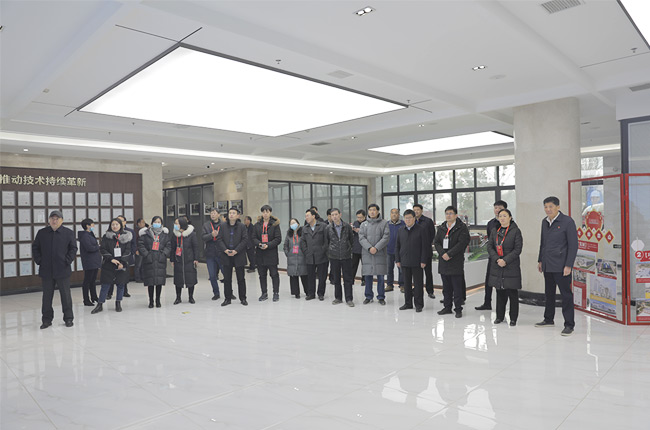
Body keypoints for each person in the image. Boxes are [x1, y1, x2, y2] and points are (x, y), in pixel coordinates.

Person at [536, 196, 578, 336]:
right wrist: (540, 260)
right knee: (549, 293)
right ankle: (548, 319)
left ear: (558, 207)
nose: (548, 209)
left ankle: (569, 324)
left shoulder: (567, 222)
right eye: (546, 207)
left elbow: (573, 245)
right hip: (547, 264)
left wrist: (568, 265)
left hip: (561, 266)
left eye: (551, 207)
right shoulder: (544, 222)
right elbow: (543, 243)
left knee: (566, 295)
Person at [32, 210, 77, 328]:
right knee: (47, 296)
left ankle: (68, 318)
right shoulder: (42, 233)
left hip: (63, 269)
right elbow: (35, 248)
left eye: (57, 219)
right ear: (49, 220)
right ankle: (46, 320)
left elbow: (73, 248)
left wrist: (67, 261)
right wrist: (39, 261)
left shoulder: (68, 233)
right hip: (46, 270)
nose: (54, 221)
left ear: (62, 220)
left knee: (66, 295)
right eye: (52, 218)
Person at [487, 209, 523, 325]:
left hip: (510, 266)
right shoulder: (495, 231)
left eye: (504, 216)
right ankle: (499, 316)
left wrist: (505, 260)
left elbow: (517, 249)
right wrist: (497, 259)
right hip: (497, 265)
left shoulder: (515, 231)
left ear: (510, 217)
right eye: (500, 216)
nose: (502, 218)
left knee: (512, 293)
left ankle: (513, 318)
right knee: (499, 292)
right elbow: (490, 246)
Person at [434, 206, 470, 318]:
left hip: (455, 261)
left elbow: (462, 243)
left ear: (456, 215)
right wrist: (442, 253)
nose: (448, 215)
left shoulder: (461, 227)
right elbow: (436, 242)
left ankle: (458, 309)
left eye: (451, 213)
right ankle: (447, 307)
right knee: (446, 287)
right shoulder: (442, 227)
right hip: (443, 261)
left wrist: (449, 254)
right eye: (447, 213)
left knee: (457, 287)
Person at [92, 218, 132, 314]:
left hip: (122, 264)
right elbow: (103, 249)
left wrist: (122, 262)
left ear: (120, 225)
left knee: (120, 284)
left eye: (117, 224)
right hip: (109, 263)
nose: (114, 226)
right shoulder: (106, 236)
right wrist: (111, 259)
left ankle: (118, 303)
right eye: (113, 224)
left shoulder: (126, 236)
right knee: (105, 285)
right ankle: (100, 304)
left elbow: (128, 250)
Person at [476, 200, 508, 311]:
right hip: (493, 256)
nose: (497, 210)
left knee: (503, 282)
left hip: (504, 257)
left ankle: (502, 307)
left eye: (500, 208)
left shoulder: (509, 223)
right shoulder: (490, 223)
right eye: (495, 208)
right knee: (489, 280)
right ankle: (487, 303)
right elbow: (490, 241)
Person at [396, 209, 428, 312]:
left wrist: (423, 260)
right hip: (404, 261)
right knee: (406, 284)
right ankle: (408, 303)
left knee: (418, 284)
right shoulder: (401, 230)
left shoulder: (421, 229)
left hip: (417, 262)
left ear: (414, 218)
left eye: (410, 218)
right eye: (406, 218)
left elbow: (425, 247)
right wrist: (397, 260)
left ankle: (419, 304)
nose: (408, 220)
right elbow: (397, 246)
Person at [359, 204, 390, 305]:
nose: (372, 212)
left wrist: (376, 248)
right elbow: (361, 238)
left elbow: (386, 237)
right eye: (370, 210)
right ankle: (368, 296)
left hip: (380, 253)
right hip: (367, 253)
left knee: (380, 277)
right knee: (368, 276)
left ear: (378, 211)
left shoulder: (384, 223)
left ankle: (381, 297)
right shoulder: (363, 224)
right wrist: (369, 248)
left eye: (374, 210)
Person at [217, 208, 249, 306]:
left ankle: (243, 298)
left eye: (233, 213)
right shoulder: (222, 226)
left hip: (238, 255)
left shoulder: (242, 226)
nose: (231, 214)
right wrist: (225, 250)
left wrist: (236, 250)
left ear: (238, 215)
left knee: (241, 278)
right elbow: (219, 239)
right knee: (227, 279)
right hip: (226, 255)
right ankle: (227, 298)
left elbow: (245, 240)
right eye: (230, 213)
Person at [138, 216, 172, 308]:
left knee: (159, 282)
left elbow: (168, 246)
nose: (157, 223)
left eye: (159, 222)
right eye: (155, 222)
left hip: (160, 260)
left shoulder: (164, 235)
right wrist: (147, 254)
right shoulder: (146, 234)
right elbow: (141, 245)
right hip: (149, 260)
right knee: (150, 282)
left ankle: (158, 300)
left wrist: (164, 254)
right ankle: (151, 301)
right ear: (152, 223)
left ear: (161, 224)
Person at [252, 205, 282, 302]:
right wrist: (259, 244)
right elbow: (253, 238)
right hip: (260, 254)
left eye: (267, 212)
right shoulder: (257, 225)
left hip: (271, 254)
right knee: (262, 275)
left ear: (270, 213)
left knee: (274, 274)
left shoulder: (275, 225)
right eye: (264, 212)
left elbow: (278, 239)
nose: (265, 214)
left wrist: (268, 245)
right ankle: (264, 293)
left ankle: (276, 293)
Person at [326, 208, 355, 307]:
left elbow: (351, 240)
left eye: (336, 214)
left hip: (346, 256)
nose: (334, 216)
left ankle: (349, 298)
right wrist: (330, 252)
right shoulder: (328, 228)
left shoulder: (347, 227)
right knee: (336, 279)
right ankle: (338, 298)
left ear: (340, 215)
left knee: (348, 279)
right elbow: (327, 242)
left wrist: (348, 250)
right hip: (334, 257)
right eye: (332, 215)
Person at [300, 208, 329, 300]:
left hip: (322, 256)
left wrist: (323, 250)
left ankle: (321, 293)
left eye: (308, 216)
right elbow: (302, 242)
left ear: (313, 216)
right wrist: (306, 251)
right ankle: (311, 293)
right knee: (310, 276)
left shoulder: (323, 226)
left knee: (322, 276)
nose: (306, 218)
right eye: (305, 216)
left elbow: (327, 240)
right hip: (309, 256)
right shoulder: (305, 228)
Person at [171, 217, 199, 304]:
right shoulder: (175, 235)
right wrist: (172, 259)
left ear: (182, 224)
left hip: (189, 260)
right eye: (175, 223)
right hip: (178, 260)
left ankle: (191, 297)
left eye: (177, 223)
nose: (175, 225)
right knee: (178, 280)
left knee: (190, 279)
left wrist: (196, 258)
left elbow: (195, 247)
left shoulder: (191, 234)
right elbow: (172, 248)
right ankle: (178, 297)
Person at [107, 215, 136, 299]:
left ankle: (125, 291)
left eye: (121, 221)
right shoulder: (111, 233)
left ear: (125, 222)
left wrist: (130, 253)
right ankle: (109, 293)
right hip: (114, 257)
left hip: (125, 257)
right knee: (111, 276)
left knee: (124, 275)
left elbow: (133, 244)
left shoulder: (129, 232)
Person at [413, 204, 436, 299]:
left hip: (426, 251)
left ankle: (430, 291)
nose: (416, 211)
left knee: (428, 272)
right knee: (416, 273)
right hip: (415, 252)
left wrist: (425, 244)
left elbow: (432, 234)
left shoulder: (428, 221)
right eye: (414, 210)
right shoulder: (412, 221)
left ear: (422, 211)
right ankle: (417, 290)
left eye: (418, 210)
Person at [202, 208, 224, 300]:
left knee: (226, 274)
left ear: (219, 215)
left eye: (214, 213)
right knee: (212, 275)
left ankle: (229, 292)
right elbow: (203, 237)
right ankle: (216, 293)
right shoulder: (206, 225)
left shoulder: (223, 225)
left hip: (221, 253)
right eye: (211, 213)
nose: (213, 215)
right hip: (210, 253)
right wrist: (211, 235)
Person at [284, 218, 308, 299]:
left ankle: (307, 291)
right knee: (293, 276)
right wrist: (288, 253)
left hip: (302, 257)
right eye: (291, 223)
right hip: (292, 257)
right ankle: (296, 293)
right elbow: (285, 245)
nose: (293, 225)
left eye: (294, 223)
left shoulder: (303, 233)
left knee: (304, 275)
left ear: (298, 223)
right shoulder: (288, 234)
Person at [78, 218, 101, 306]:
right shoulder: (84, 236)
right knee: (87, 281)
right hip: (89, 261)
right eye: (92, 224)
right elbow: (89, 248)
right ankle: (86, 299)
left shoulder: (90, 234)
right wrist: (99, 246)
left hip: (94, 260)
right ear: (87, 226)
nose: (93, 226)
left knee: (93, 280)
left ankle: (94, 296)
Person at [386, 208, 405, 293]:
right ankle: (389, 285)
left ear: (398, 214)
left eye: (396, 213)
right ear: (390, 214)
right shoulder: (386, 224)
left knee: (401, 269)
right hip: (389, 250)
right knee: (389, 269)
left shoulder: (403, 224)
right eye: (392, 213)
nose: (394, 214)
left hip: (400, 251)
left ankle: (402, 285)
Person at [351, 209, 366, 287]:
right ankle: (351, 279)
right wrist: (352, 229)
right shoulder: (355, 223)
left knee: (365, 266)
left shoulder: (367, 223)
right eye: (358, 217)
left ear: (364, 217)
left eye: (361, 217)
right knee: (353, 265)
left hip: (364, 248)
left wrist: (360, 231)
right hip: (356, 247)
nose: (359, 219)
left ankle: (364, 280)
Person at [134, 218, 148, 283]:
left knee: (143, 264)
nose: (144, 224)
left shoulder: (145, 230)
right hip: (138, 250)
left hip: (144, 249)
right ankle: (137, 278)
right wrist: (136, 249)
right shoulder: (136, 231)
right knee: (138, 265)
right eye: (142, 222)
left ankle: (143, 277)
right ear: (139, 223)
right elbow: (135, 241)